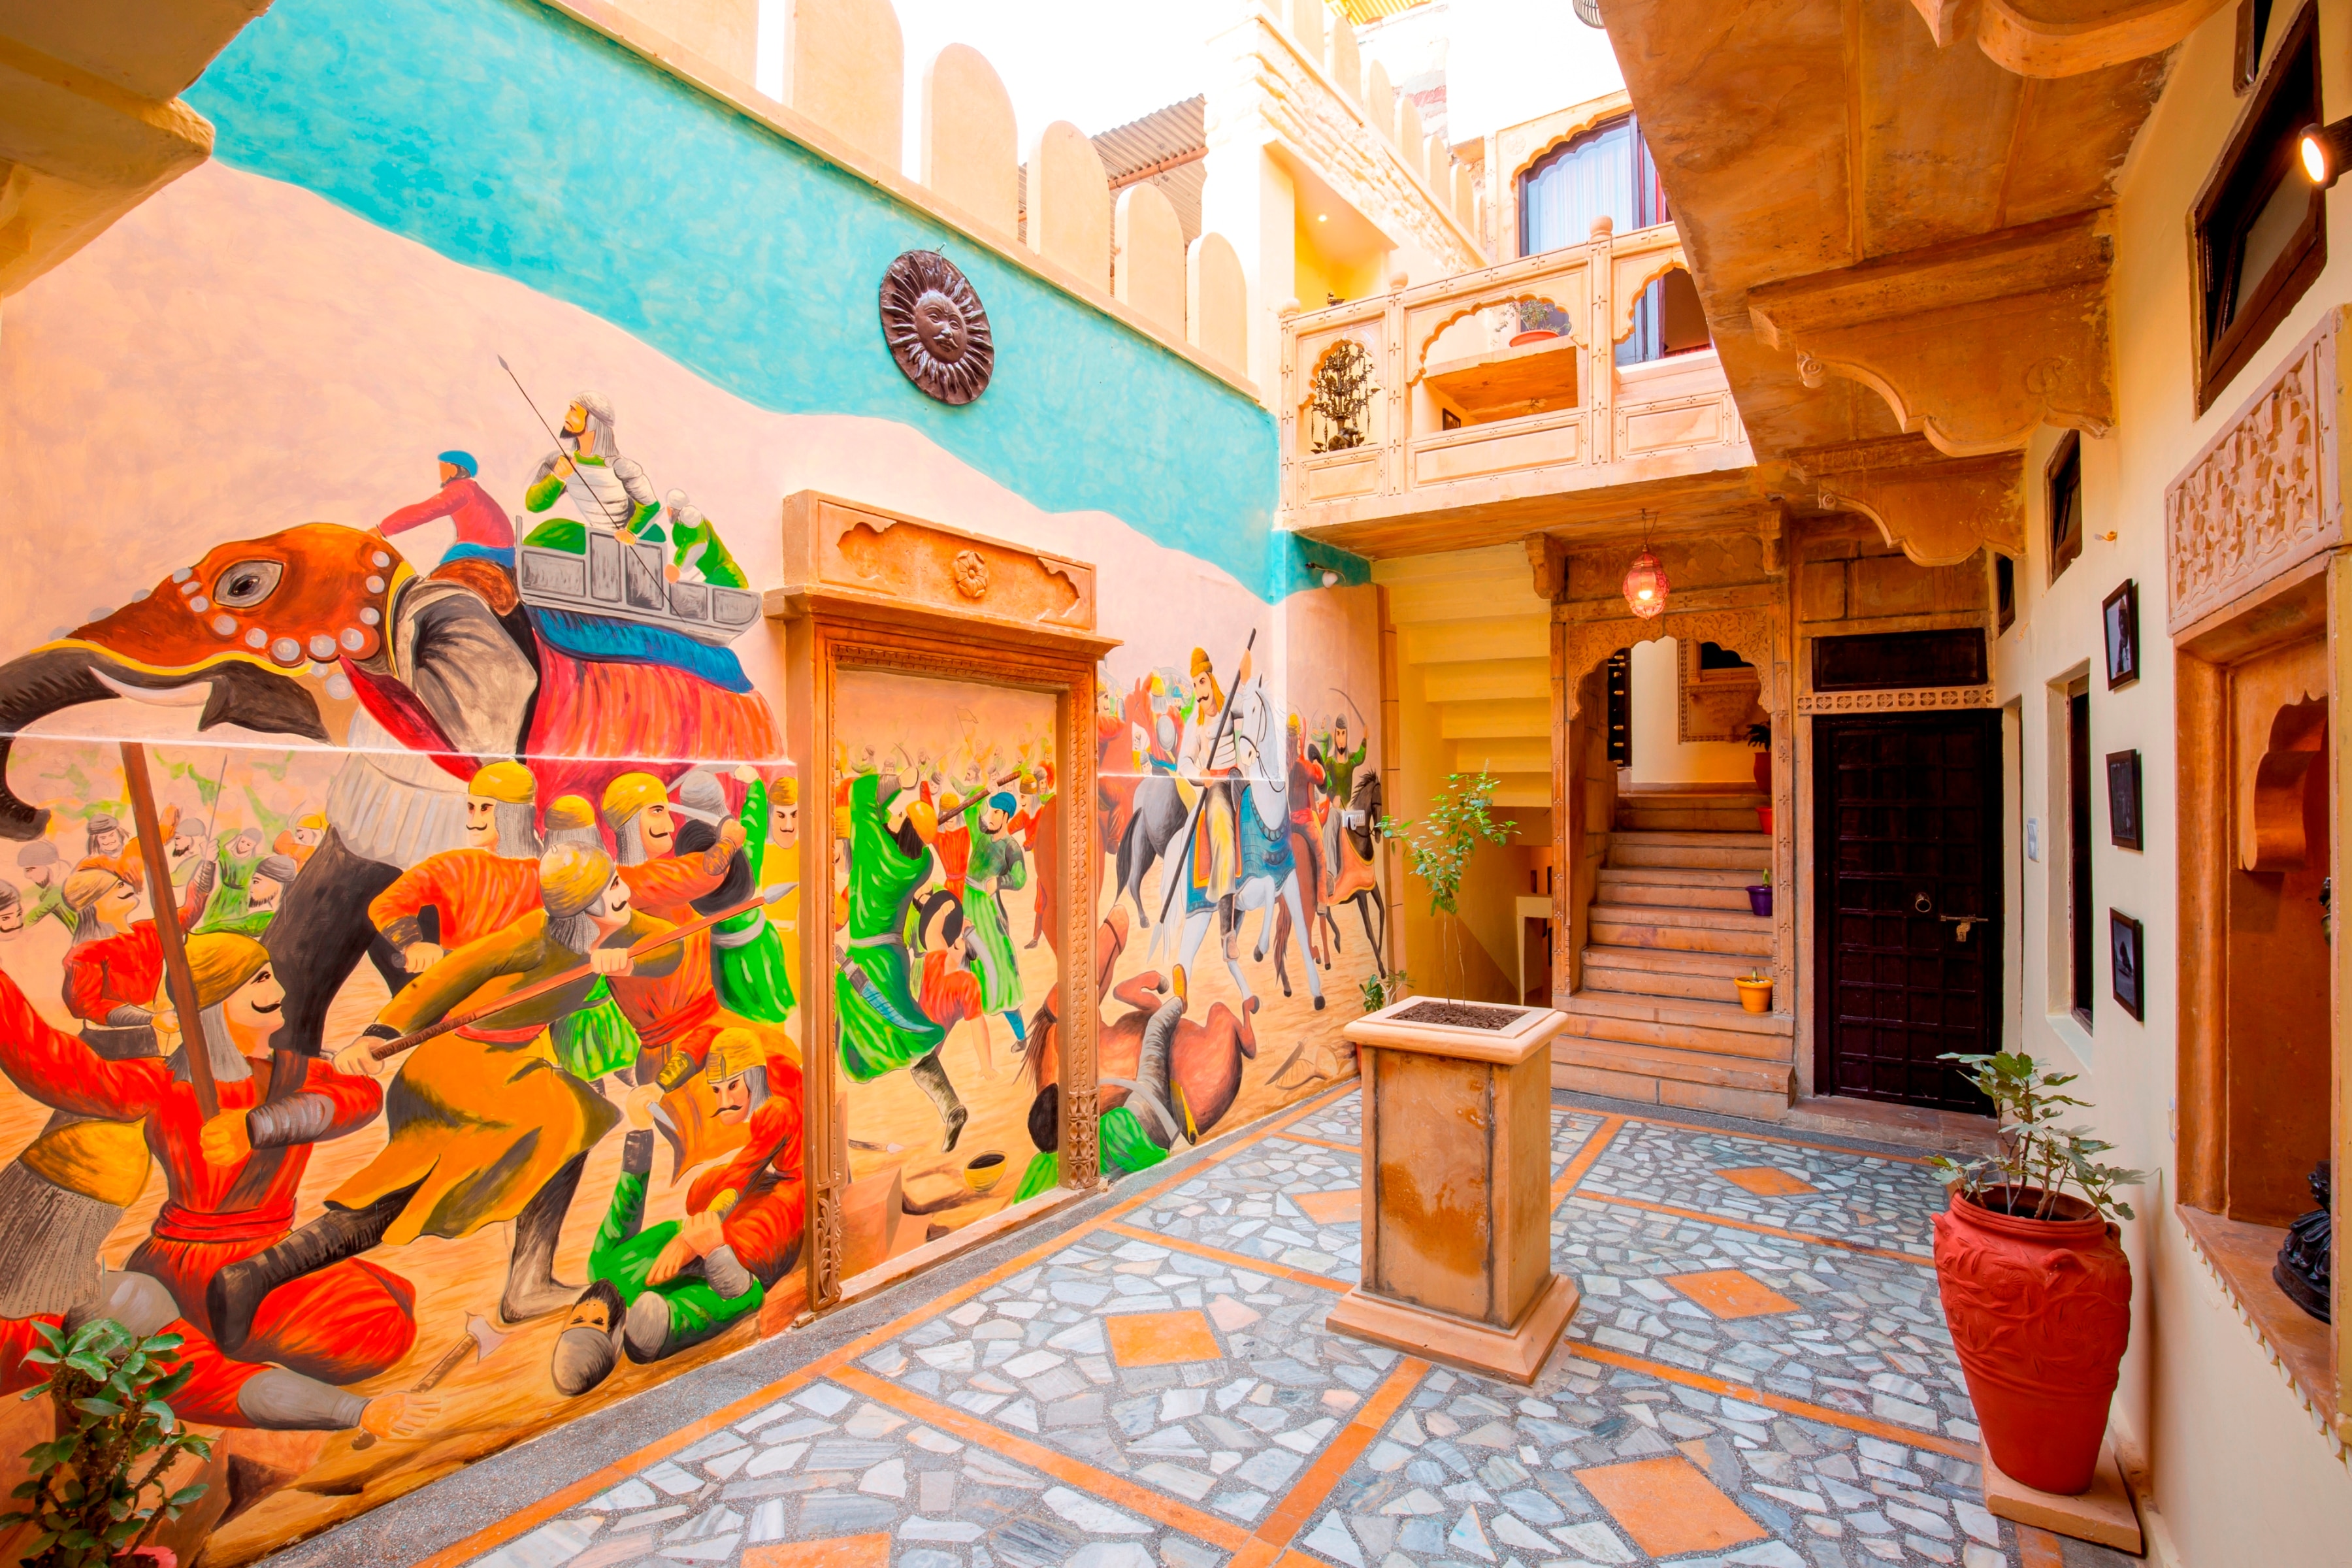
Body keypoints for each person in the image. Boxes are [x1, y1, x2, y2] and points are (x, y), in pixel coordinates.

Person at [205, 846, 685, 1345]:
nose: (623, 892)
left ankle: (259, 1274)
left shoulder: (624, 927)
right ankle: (261, 1273)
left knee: (568, 1122)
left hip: (511, 1065)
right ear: (581, 908)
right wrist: (377, 1034)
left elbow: (670, 947)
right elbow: (448, 978)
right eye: (609, 888)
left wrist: (629, 963)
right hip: (459, 1067)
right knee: (441, 1177)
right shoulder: (533, 938)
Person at [0, 937, 414, 1384]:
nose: (279, 991)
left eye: (271, 976)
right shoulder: (160, 1082)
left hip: (269, 1254)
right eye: (260, 980)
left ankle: (225, 1347)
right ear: (214, 1004)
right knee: (377, 1327)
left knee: (399, 1295)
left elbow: (359, 1097)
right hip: (194, 1263)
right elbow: (59, 1066)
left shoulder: (297, 1072)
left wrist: (258, 1125)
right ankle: (225, 1359)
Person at [549, 1030, 800, 1394]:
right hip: (740, 1255)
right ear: (616, 1334)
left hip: (711, 1221)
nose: (590, 1308)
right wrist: (713, 1250)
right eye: (597, 1321)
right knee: (746, 1226)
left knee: (701, 1192)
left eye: (578, 1319)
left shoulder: (602, 1265)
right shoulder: (649, 1309)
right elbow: (744, 1298)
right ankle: (656, 1339)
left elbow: (626, 1204)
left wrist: (640, 1131)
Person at [0, 1269, 438, 1439]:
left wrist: (354, 1410)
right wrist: (355, 1410)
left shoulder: (136, 1312)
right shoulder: (131, 1307)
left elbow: (238, 1388)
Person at [836, 766, 956, 1148]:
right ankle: (951, 1105)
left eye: (900, 814)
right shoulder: (918, 866)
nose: (894, 813)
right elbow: (903, 834)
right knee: (905, 1033)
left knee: (895, 1033)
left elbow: (861, 797)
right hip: (894, 959)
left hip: (868, 959)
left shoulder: (874, 849)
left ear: (903, 827)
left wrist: (895, 783)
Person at [367, 762, 544, 977]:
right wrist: (412, 945)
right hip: (462, 980)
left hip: (528, 982)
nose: (472, 822)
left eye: (485, 808)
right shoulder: (453, 867)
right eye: (471, 808)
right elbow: (387, 904)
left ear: (515, 814)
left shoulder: (551, 874)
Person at [523, 392, 661, 544]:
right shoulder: (561, 460)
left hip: (622, 540)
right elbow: (533, 505)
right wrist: (556, 479)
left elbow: (651, 506)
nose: (566, 416)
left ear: (593, 420)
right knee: (537, 539)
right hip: (594, 535)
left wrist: (631, 532)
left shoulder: (620, 466)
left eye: (574, 410)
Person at [378, 451, 517, 570]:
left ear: (454, 470)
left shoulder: (461, 490)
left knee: (438, 579)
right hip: (505, 553)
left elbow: (426, 510)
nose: (441, 474)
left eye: (443, 469)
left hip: (480, 550)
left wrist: (383, 529)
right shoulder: (472, 489)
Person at [197, 853, 297, 938]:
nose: (251, 888)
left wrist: (197, 932)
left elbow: (231, 925)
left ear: (277, 883)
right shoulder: (276, 915)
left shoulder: (272, 919)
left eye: (256, 882)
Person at [14, 842, 67, 934]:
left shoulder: (58, 891)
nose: (27, 876)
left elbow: (33, 917)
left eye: (30, 870)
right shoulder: (46, 890)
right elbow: (22, 896)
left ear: (51, 866)